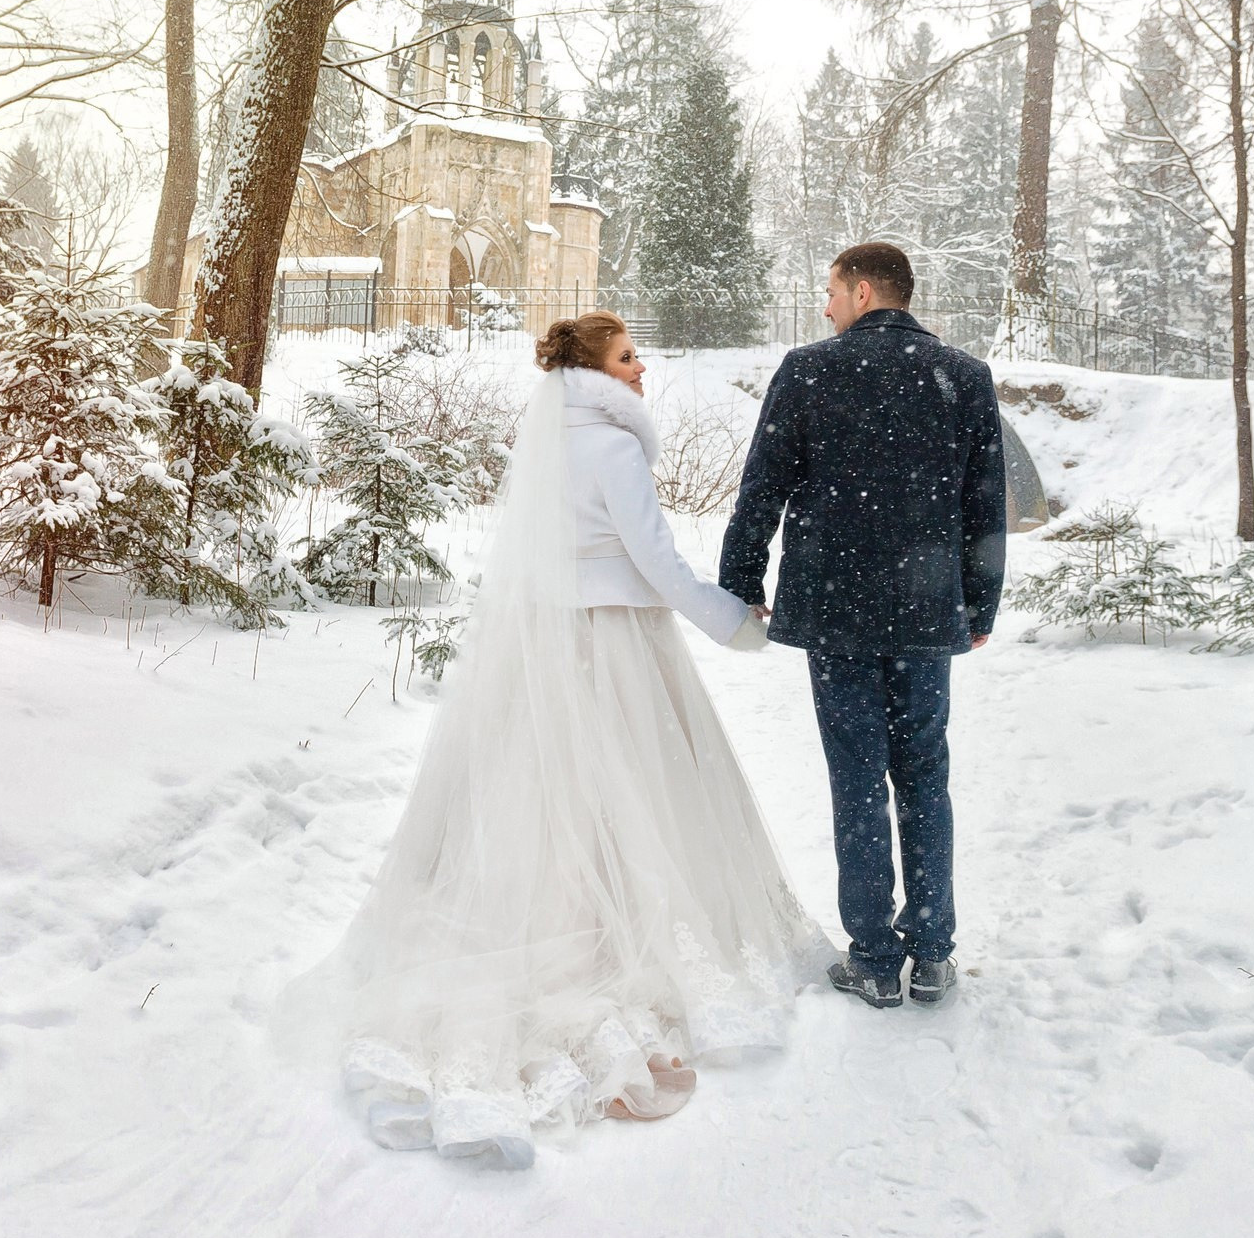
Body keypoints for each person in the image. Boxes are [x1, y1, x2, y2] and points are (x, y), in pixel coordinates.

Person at [292, 311, 821, 1168]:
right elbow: (654, 563)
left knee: (544, 794)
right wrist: (736, 625)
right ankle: (608, 941)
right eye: (628, 356)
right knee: (630, 792)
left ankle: (551, 914)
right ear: (596, 371)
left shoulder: (552, 440)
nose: (642, 367)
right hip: (613, 644)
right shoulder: (612, 447)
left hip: (545, 642)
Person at [719, 242, 1010, 1010]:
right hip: (924, 610)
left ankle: (876, 958)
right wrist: (979, 605)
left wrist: (740, 581)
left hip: (837, 610)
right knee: (924, 777)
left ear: (860, 288)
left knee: (856, 780)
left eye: (830, 291)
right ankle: (936, 951)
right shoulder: (964, 378)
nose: (825, 306)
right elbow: (985, 507)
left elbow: (763, 487)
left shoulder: (809, 370)